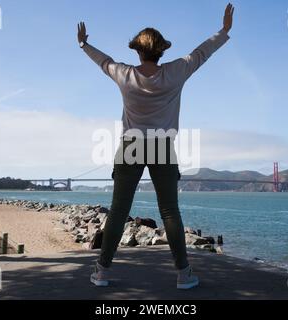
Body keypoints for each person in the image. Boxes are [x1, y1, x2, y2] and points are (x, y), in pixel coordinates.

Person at [78, 3, 234, 290]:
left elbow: (104, 61)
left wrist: (84, 44)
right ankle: (183, 274)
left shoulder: (124, 74)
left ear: (137, 50)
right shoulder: (176, 72)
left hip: (130, 146)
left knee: (117, 211)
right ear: (161, 50)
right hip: (162, 146)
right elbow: (201, 53)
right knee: (170, 213)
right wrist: (223, 31)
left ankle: (101, 272)